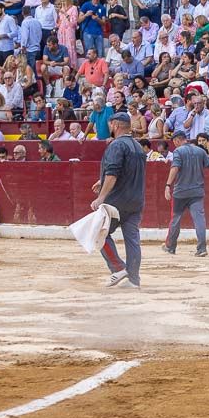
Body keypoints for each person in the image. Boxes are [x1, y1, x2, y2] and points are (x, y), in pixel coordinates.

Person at [90, 111, 147, 289]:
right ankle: (133, 280)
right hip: (136, 200)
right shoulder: (138, 147)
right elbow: (124, 171)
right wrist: (102, 180)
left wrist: (101, 197)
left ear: (115, 125)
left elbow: (113, 174)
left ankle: (118, 268)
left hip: (117, 201)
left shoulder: (116, 146)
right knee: (132, 240)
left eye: (109, 124)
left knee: (99, 232)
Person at [163, 129, 209, 258]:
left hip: (180, 192)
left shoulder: (178, 151)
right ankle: (202, 248)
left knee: (176, 219)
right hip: (197, 192)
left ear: (177, 140)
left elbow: (175, 167)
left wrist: (167, 185)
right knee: (199, 219)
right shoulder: (200, 151)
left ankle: (171, 247)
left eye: (174, 142)